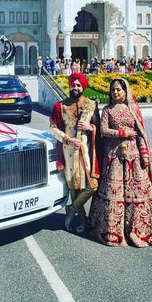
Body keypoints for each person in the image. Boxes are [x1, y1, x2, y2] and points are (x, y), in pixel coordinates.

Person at [89, 78, 152, 247]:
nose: (115, 92)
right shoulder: (108, 110)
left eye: (118, 89)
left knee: (137, 194)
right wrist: (123, 133)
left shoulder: (133, 110)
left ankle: (139, 230)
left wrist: (144, 154)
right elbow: (104, 131)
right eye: (113, 90)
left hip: (134, 158)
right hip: (114, 157)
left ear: (125, 91)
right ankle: (113, 232)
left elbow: (139, 134)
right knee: (113, 193)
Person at [49, 73, 101, 234]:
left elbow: (99, 128)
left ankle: (71, 210)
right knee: (74, 189)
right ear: (70, 86)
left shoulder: (91, 105)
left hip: (87, 154)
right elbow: (52, 128)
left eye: (78, 85)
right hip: (68, 154)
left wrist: (90, 127)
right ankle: (82, 221)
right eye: (73, 85)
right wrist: (67, 139)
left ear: (83, 87)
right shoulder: (60, 106)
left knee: (92, 186)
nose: (76, 88)